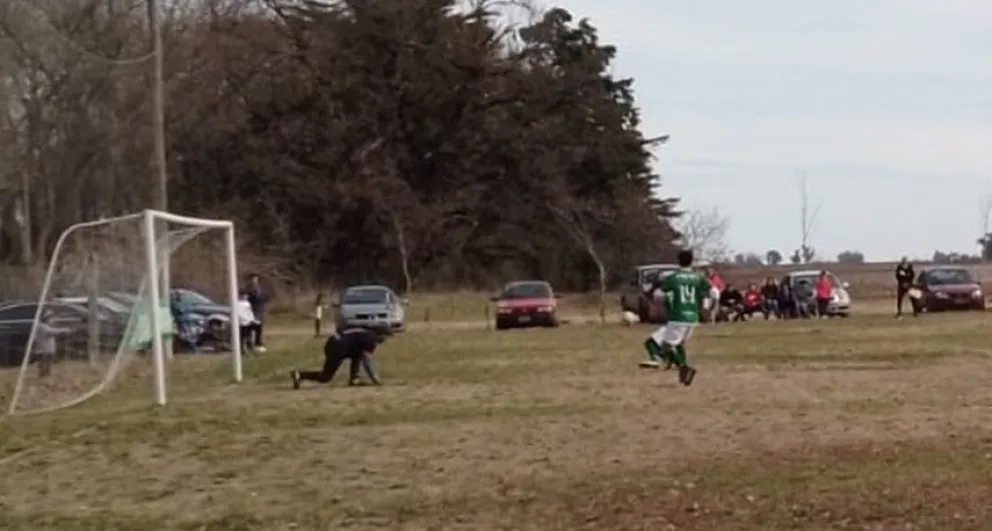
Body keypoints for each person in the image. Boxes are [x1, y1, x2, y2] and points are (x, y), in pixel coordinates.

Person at [640, 249, 707, 386]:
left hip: (678, 316)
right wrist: (707, 308)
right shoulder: (698, 277)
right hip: (693, 317)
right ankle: (679, 367)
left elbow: (658, 295)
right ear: (691, 261)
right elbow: (713, 292)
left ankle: (682, 367)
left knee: (665, 345)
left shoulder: (673, 278)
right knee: (676, 344)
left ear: (678, 261)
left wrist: (655, 294)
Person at [291, 325, 386, 388]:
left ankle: (354, 379)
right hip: (338, 347)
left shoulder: (365, 333)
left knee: (357, 354)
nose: (384, 340)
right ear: (380, 335)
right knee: (326, 377)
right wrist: (376, 380)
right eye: (385, 337)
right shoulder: (370, 340)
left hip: (333, 342)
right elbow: (367, 362)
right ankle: (300, 375)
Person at [34, 309, 72, 378]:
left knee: (47, 365)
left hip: (47, 350)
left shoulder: (44, 326)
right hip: (43, 350)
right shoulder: (42, 326)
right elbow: (52, 331)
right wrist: (65, 330)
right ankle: (43, 376)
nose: (53, 320)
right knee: (44, 365)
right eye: (51, 318)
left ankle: (45, 376)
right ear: (45, 319)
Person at [244, 274, 270, 352]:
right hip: (253, 310)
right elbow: (248, 298)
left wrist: (263, 300)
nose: (254, 280)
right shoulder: (248, 288)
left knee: (259, 327)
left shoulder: (261, 287)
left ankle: (258, 342)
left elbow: (265, 296)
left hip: (260, 309)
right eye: (253, 278)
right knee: (251, 327)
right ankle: (249, 342)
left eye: (255, 278)